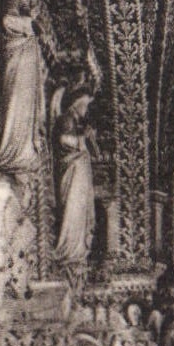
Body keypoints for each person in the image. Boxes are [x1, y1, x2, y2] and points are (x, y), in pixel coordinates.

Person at [0, 0, 47, 170]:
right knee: (18, 100)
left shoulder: (28, 4)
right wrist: (29, 24)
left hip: (27, 56)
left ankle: (26, 148)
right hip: (17, 56)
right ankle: (15, 150)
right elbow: (7, 20)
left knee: (27, 101)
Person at [54, 88, 97, 266]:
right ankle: (70, 248)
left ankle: (77, 248)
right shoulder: (67, 119)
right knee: (73, 207)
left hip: (78, 173)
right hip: (72, 173)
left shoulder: (75, 121)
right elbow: (63, 140)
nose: (85, 110)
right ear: (77, 104)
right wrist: (82, 138)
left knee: (80, 208)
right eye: (84, 106)